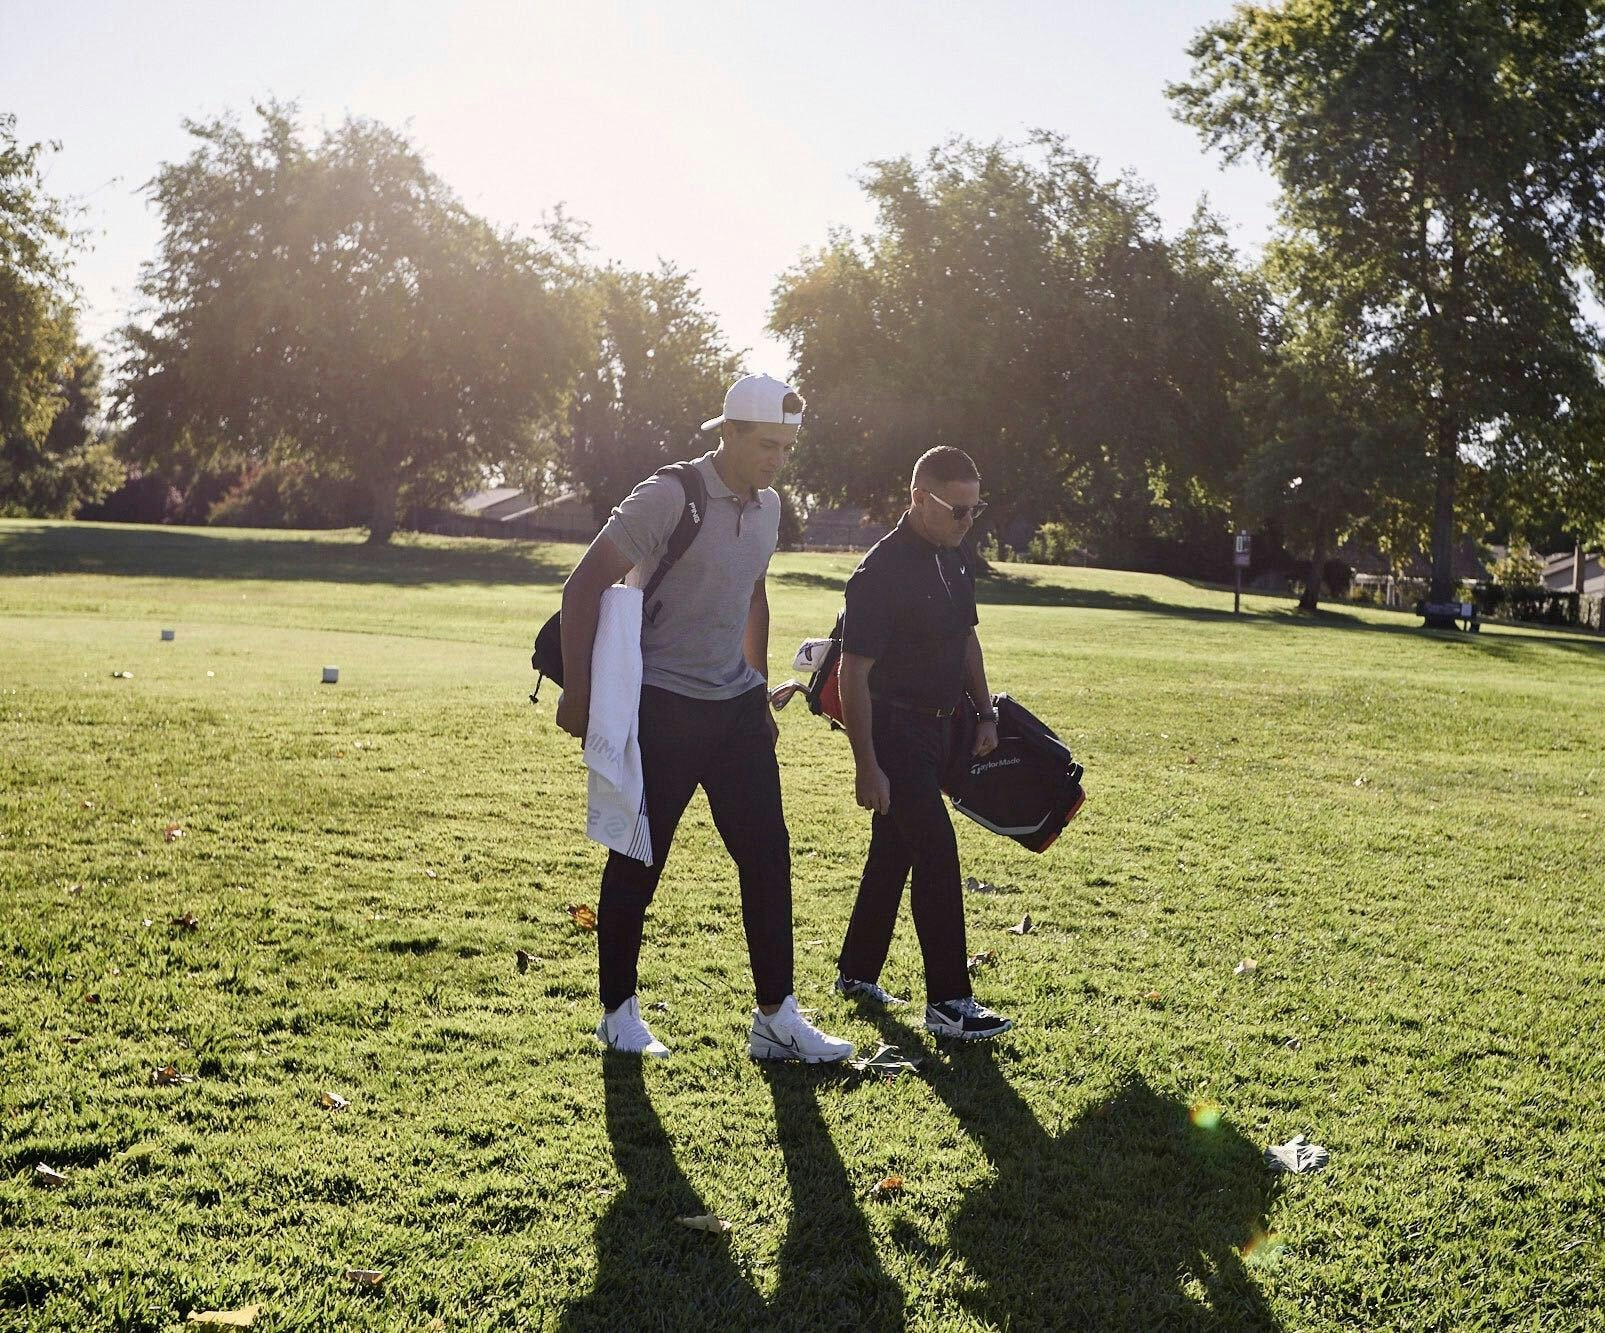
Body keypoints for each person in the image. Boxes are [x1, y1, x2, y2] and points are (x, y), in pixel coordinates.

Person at [556, 373, 853, 1063]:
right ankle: (617, 1013)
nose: (776, 459)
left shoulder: (771, 506)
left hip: (734, 709)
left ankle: (775, 1016)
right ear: (728, 433)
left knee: (766, 854)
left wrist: (755, 686)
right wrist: (577, 694)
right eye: (764, 444)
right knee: (639, 856)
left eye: (785, 447)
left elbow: (753, 594)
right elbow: (582, 584)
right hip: (661, 703)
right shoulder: (670, 495)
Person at [832, 446, 1013, 1039]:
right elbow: (851, 673)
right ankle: (949, 1002)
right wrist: (867, 767)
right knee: (935, 849)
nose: (967, 522)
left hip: (942, 728)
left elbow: (967, 643)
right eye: (956, 510)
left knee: (895, 851)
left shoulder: (954, 559)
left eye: (974, 510)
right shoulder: (881, 572)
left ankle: (857, 974)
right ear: (918, 499)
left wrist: (985, 715)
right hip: (893, 731)